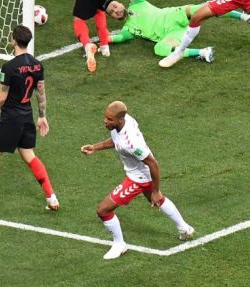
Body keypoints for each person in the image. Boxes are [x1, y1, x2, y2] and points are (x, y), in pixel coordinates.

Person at [0, 25, 59, 214]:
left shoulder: (10, 67)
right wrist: (42, 116)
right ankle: (51, 196)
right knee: (29, 155)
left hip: (10, 119)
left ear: (14, 40)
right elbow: (41, 92)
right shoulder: (38, 65)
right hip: (26, 117)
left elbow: (1, 97)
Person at [80, 101, 194, 260]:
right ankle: (184, 228)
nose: (105, 121)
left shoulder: (132, 142)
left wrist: (155, 190)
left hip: (138, 178)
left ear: (119, 120)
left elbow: (153, 164)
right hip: (139, 174)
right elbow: (116, 141)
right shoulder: (122, 123)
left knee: (103, 210)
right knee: (158, 200)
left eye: (109, 119)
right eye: (105, 117)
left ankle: (119, 244)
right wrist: (96, 147)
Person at [105, 0, 250, 62]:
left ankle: (243, 15)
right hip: (172, 34)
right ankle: (202, 52)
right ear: (113, 17)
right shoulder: (128, 30)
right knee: (159, 49)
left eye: (115, 6)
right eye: (112, 12)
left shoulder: (136, 2)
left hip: (174, 14)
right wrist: (103, 40)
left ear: (120, 3)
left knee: (204, 9)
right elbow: (117, 38)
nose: (115, 10)